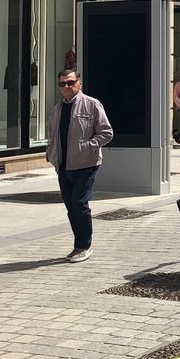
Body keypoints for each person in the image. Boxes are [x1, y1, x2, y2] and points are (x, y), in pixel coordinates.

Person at [46, 69, 114, 264]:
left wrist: (87, 147)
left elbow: (106, 133)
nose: (66, 87)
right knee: (70, 207)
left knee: (79, 204)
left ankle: (85, 245)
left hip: (85, 164)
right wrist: (50, 154)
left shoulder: (92, 105)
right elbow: (53, 136)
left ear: (79, 83)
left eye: (70, 82)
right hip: (63, 165)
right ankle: (78, 245)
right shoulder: (57, 109)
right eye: (62, 84)